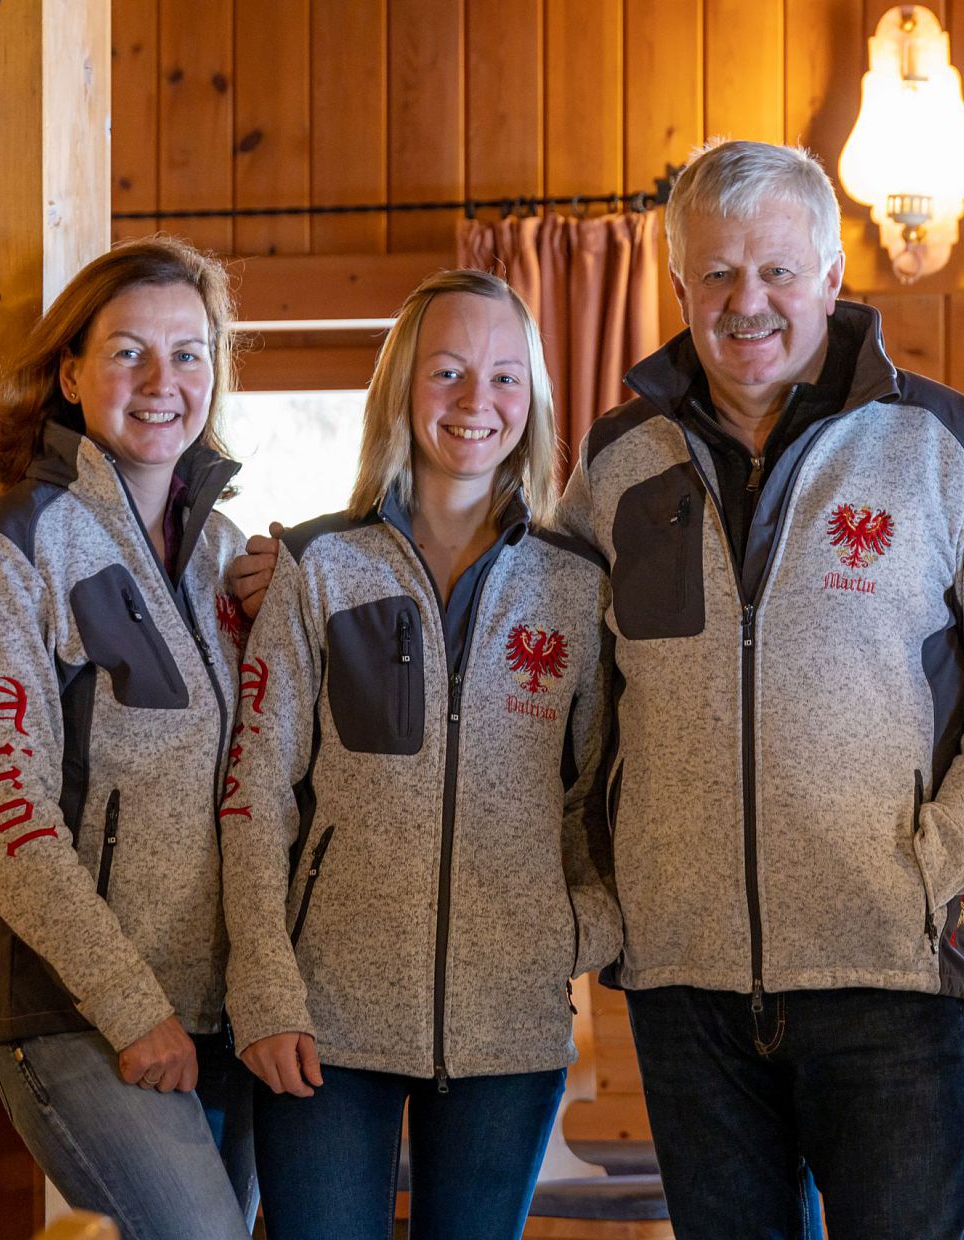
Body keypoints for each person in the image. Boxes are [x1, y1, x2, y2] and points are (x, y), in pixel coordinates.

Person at [553, 140, 964, 1239]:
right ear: (679, 288)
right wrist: (600, 888)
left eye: (777, 271)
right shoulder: (617, 465)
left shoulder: (945, 446)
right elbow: (551, 690)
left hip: (885, 969)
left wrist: (946, 848)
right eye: (715, 274)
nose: (746, 301)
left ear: (834, 280)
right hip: (682, 981)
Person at [220, 269, 622, 1240]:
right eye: (447, 372)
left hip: (509, 1028)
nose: (476, 402)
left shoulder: (576, 588)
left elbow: (610, 792)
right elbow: (254, 795)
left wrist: (579, 933)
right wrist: (265, 986)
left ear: (532, 401)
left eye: (504, 377)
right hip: (324, 1022)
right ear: (403, 387)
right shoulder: (316, 566)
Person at [0, 237, 257, 1240]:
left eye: (190, 353)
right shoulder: (9, 550)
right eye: (128, 353)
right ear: (71, 373)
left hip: (221, 1016)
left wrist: (293, 620)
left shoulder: (227, 559)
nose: (164, 381)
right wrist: (126, 1001)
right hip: (75, 1011)